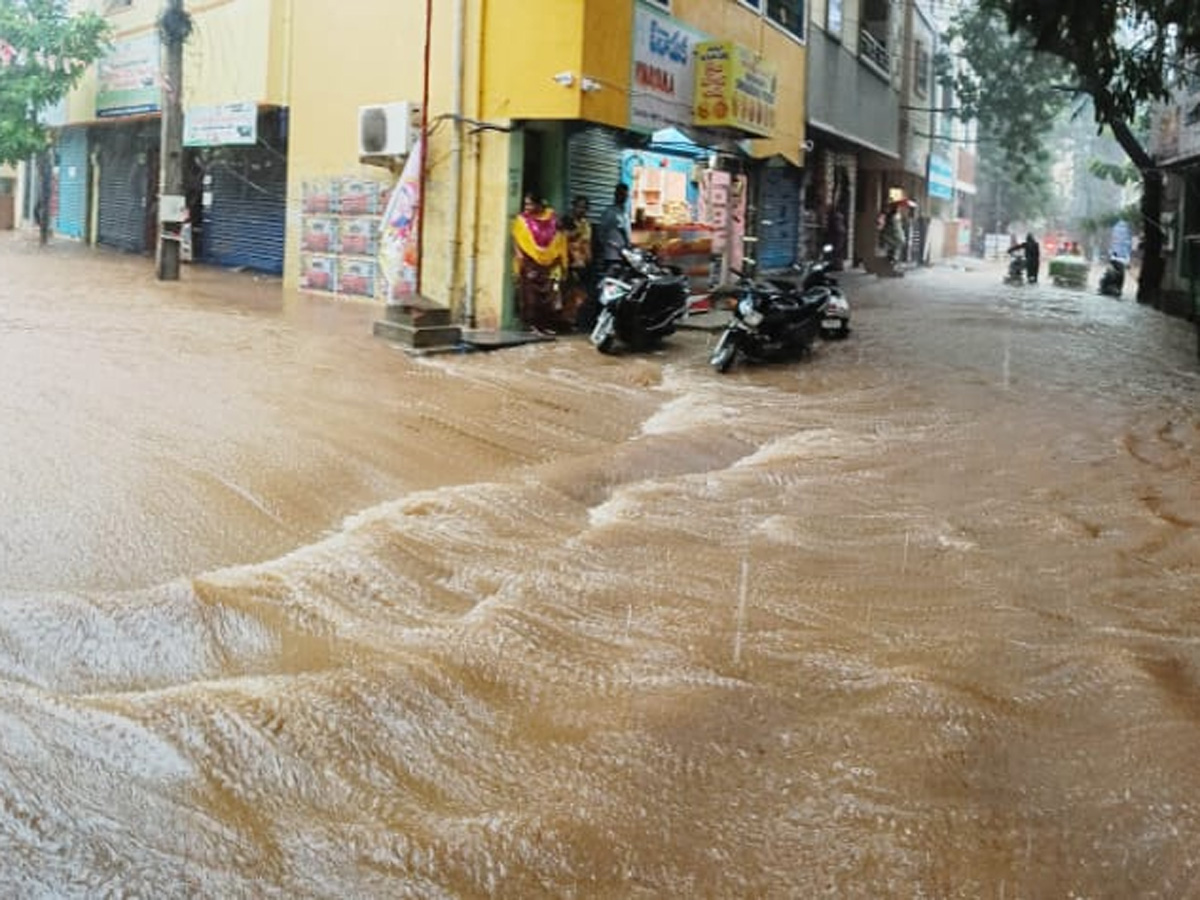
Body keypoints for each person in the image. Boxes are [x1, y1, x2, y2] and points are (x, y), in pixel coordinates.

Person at [511, 193, 568, 334]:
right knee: (530, 297)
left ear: (539, 205)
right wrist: (519, 255)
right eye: (525, 204)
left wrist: (559, 259)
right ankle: (531, 326)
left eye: (530, 204)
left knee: (548, 297)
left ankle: (545, 326)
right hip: (530, 262)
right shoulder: (522, 220)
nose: (527, 207)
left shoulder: (553, 219)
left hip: (549, 263)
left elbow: (560, 237)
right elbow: (517, 239)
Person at [561, 195, 595, 331]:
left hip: (583, 263)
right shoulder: (567, 221)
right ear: (573, 207)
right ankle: (566, 322)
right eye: (579, 207)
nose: (581, 210)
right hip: (570, 262)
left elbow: (588, 243)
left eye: (584, 208)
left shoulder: (586, 224)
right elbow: (563, 239)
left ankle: (574, 321)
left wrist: (589, 259)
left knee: (580, 294)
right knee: (569, 293)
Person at [598, 182, 632, 268]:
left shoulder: (625, 213)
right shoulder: (609, 212)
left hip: (624, 255)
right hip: (612, 255)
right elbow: (601, 233)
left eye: (625, 195)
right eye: (621, 194)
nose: (623, 197)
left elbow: (627, 232)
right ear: (615, 195)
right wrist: (609, 245)